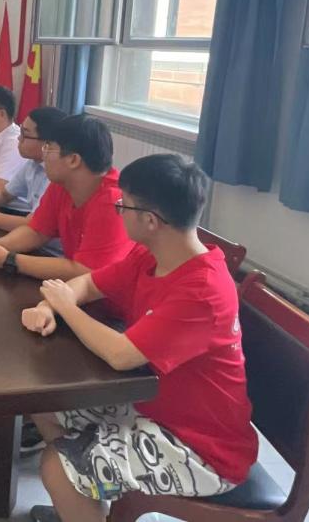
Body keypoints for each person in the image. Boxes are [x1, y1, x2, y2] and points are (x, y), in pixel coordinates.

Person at [21, 154, 257, 522]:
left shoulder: (203, 290)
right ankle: (81, 506)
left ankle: (76, 494)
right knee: (45, 403)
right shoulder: (151, 255)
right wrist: (49, 307)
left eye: (123, 205)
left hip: (202, 446)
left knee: (57, 466)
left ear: (150, 220)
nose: (118, 211)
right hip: (152, 405)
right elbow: (88, 283)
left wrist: (64, 306)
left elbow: (121, 355)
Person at [0, 114, 134, 281]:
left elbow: (85, 271)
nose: (44, 154)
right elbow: (37, 231)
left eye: (48, 147)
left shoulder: (114, 202)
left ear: (73, 160)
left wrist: (9, 259)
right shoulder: (62, 185)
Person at [0, 106, 67, 233]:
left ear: (47, 144)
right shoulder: (32, 164)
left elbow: (33, 224)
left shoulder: (57, 175)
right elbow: (4, 194)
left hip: (40, 240)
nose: (19, 138)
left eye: (25, 134)